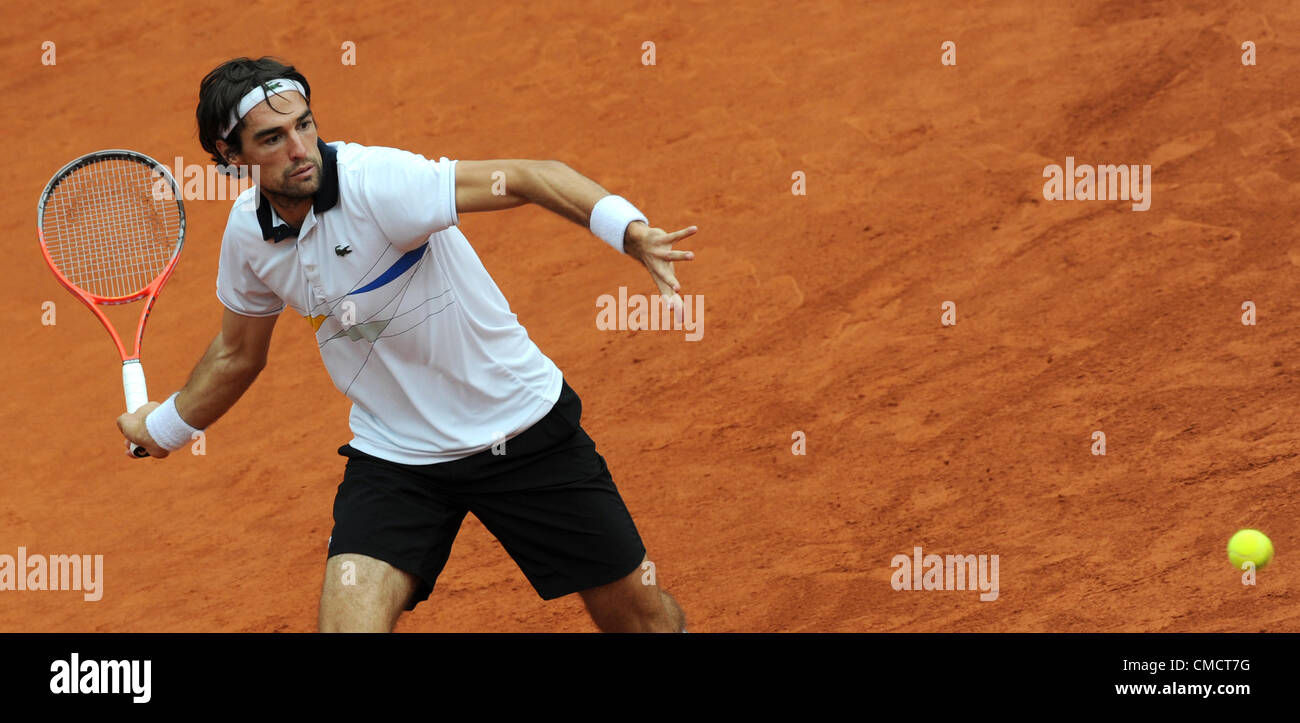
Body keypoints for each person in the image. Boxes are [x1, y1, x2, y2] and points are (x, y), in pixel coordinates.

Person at [116, 57, 695, 633]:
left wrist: (631, 232)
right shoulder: (249, 234)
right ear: (230, 156)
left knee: (640, 624)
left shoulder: (380, 184)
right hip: (398, 456)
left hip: (517, 429)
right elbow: (237, 352)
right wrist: (164, 428)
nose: (300, 148)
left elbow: (524, 176)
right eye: (272, 138)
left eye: (305, 125)